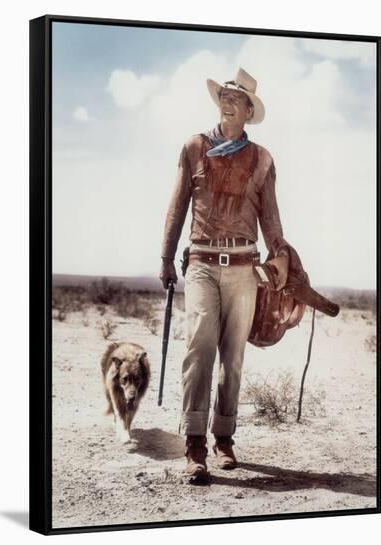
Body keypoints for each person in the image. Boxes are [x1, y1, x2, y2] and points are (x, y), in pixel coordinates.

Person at [159, 67, 290, 483]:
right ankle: (195, 443)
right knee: (199, 351)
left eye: (238, 98)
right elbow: (178, 205)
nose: (229, 100)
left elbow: (270, 217)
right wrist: (165, 257)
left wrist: (281, 255)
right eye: (225, 95)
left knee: (232, 358)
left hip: (243, 268)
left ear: (250, 112)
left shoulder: (262, 158)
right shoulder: (194, 147)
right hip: (200, 263)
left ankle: (224, 438)